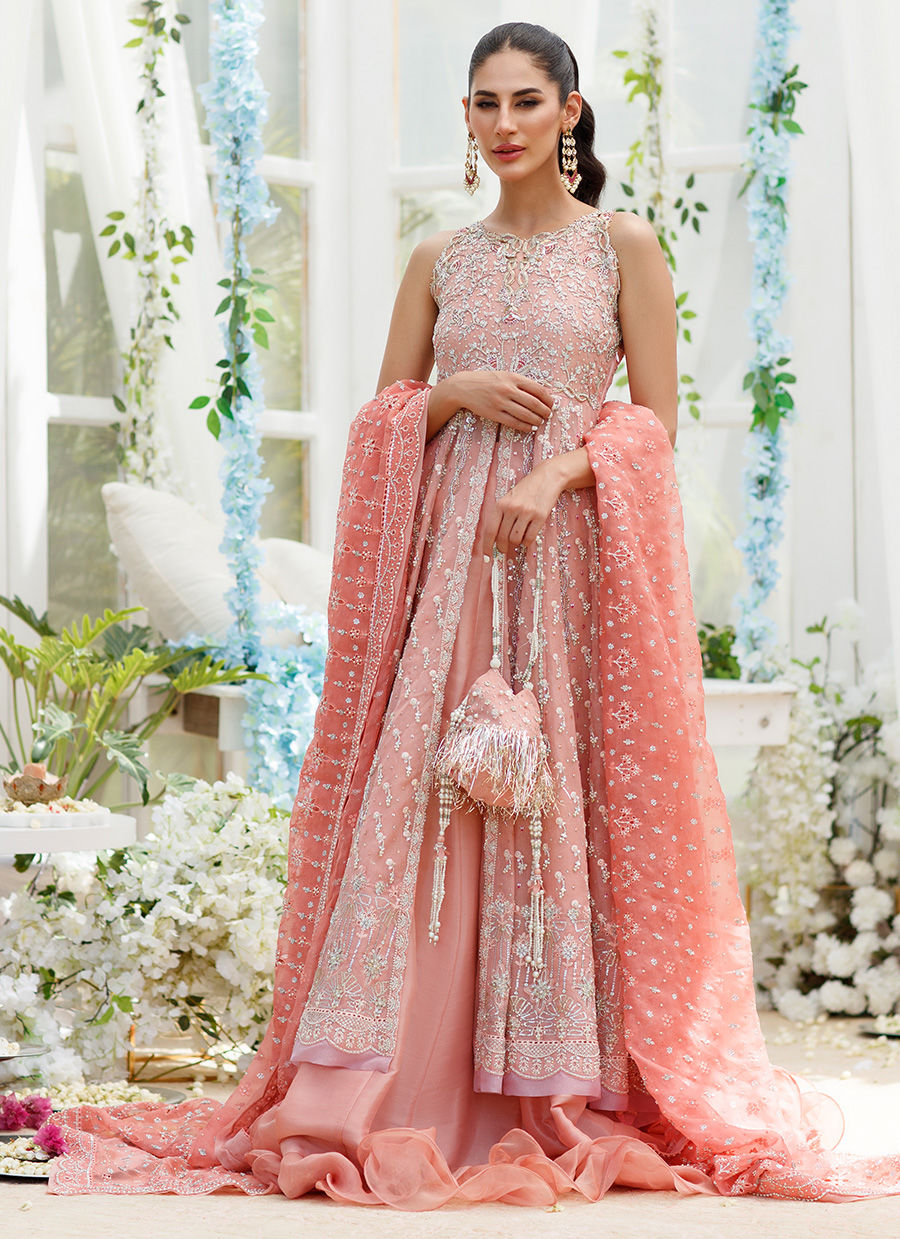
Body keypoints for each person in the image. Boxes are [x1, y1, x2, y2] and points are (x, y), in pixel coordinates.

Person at [49, 21, 900, 1208]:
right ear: (466, 116)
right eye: (483, 103)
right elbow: (382, 417)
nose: (503, 124)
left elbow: (654, 423)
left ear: (569, 112)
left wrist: (558, 473)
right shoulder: (439, 258)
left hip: (571, 572)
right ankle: (393, 1078)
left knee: (556, 795)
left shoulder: (622, 246)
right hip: (453, 569)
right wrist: (448, 395)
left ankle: (549, 1076)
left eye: (524, 102)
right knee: (432, 788)